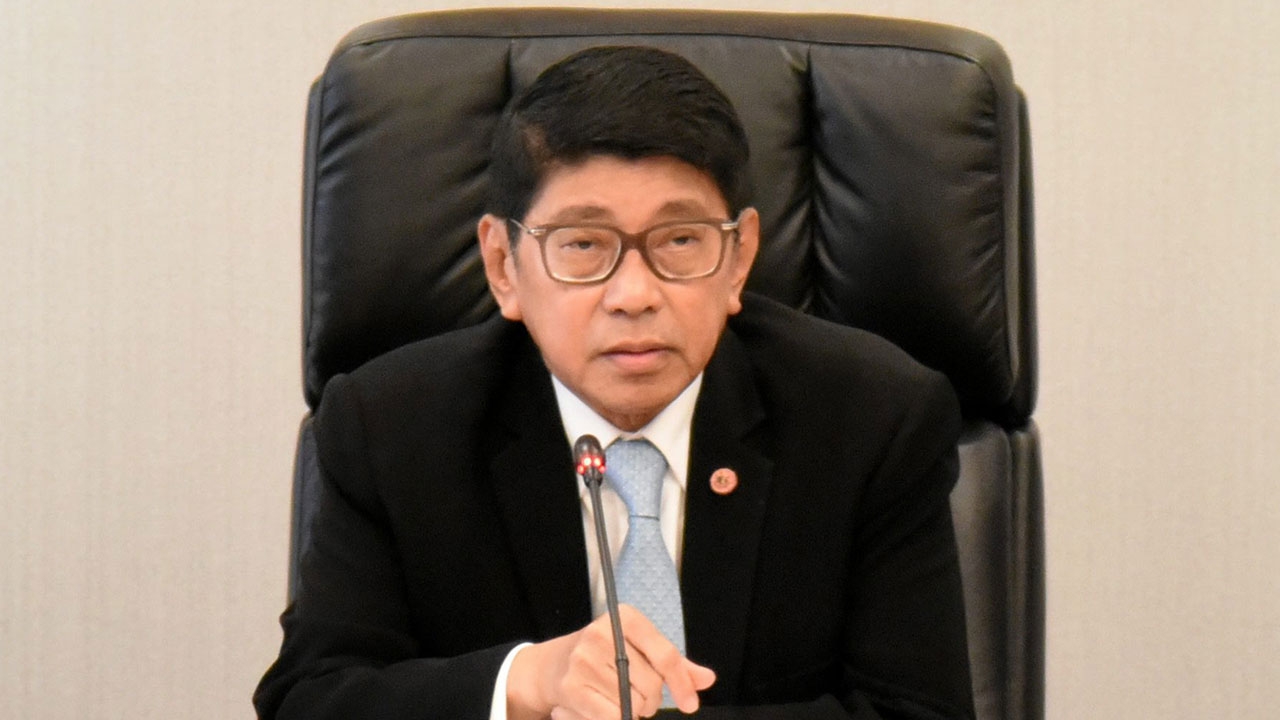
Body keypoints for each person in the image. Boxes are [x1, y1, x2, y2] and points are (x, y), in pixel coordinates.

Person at [255, 46, 973, 720]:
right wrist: (525, 682)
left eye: (680, 241)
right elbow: (308, 699)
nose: (634, 295)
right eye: (583, 245)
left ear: (739, 259)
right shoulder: (392, 429)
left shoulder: (873, 422)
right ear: (503, 266)